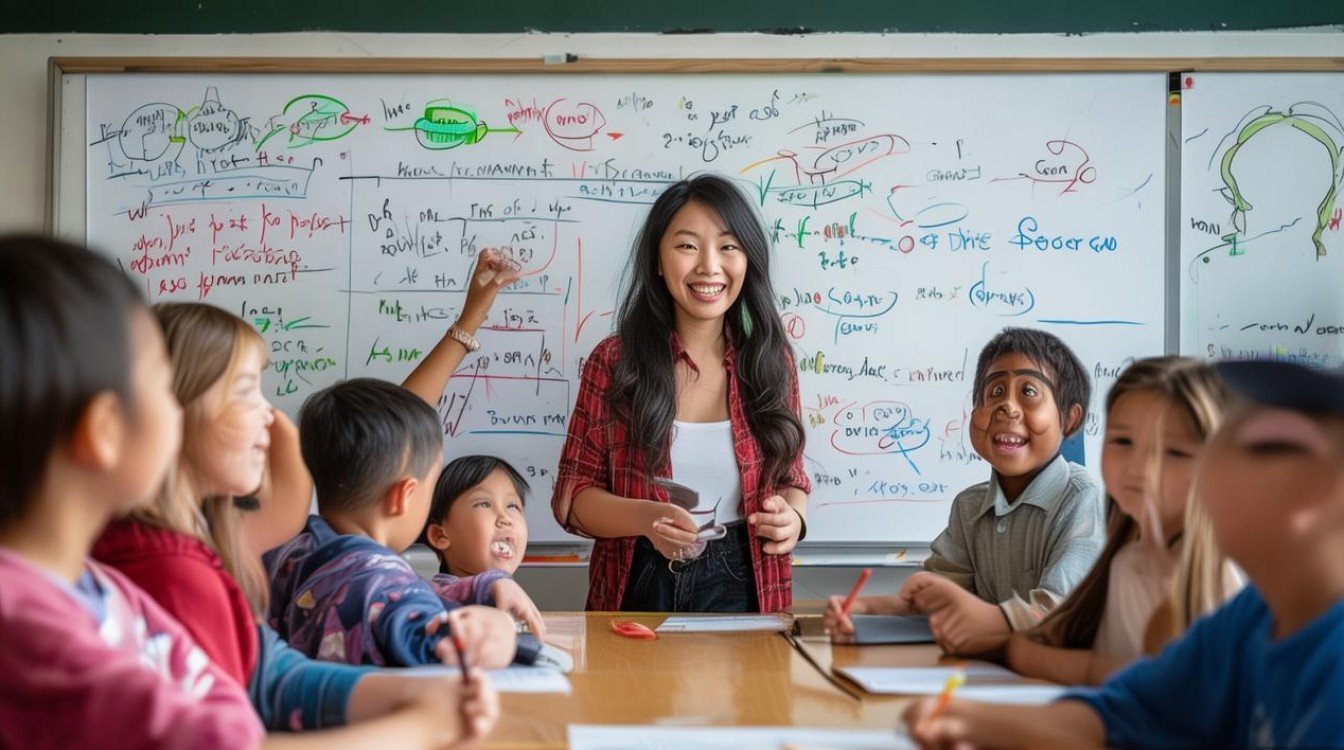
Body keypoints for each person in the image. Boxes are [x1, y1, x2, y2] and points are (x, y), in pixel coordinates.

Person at [92, 301, 497, 743]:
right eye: (247, 390)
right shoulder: (175, 573)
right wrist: (418, 726)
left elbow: (269, 674)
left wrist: (411, 694)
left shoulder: (204, 553)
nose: (272, 415)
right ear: (176, 412)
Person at [903, 357, 1344, 749]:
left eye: (1269, 449)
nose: (1145, 469)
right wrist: (974, 721)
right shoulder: (1249, 618)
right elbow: (1126, 711)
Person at [0, 234, 263, 748]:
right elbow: (223, 735)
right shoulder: (21, 622)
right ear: (104, 430)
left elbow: (222, 702)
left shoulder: (101, 586)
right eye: (165, 387)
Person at [552, 173, 811, 612]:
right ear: (657, 259)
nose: (709, 266)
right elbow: (572, 498)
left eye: (728, 246)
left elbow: (791, 480)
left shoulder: (771, 360)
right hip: (637, 576)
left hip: (749, 580)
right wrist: (648, 519)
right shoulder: (614, 362)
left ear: (748, 259)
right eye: (687, 246)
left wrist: (793, 519)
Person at [826, 328, 1105, 654]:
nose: (1007, 408)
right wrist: (863, 612)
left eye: (1028, 391)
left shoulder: (1081, 498)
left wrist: (973, 613)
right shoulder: (970, 507)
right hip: (989, 675)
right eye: (995, 391)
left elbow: (1058, 611)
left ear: (1070, 419)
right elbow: (937, 600)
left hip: (1059, 684)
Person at [1005, 356, 1243, 685]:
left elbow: (1148, 687)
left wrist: (1025, 655)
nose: (1139, 468)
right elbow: (1113, 685)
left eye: (1173, 452)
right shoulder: (1127, 563)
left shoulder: (1216, 581)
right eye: (1123, 441)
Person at [266, 378, 516, 668]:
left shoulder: (289, 553)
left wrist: (484, 585)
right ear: (403, 496)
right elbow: (444, 651)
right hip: (369, 712)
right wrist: (502, 628)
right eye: (431, 487)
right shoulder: (384, 583)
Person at [422, 455, 546, 638]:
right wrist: (493, 582)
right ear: (440, 535)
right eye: (484, 504)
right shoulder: (436, 598)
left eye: (512, 506)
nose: (505, 518)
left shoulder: (508, 596)